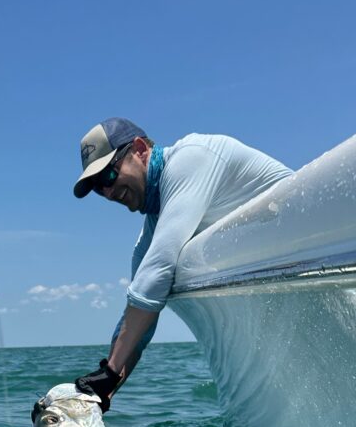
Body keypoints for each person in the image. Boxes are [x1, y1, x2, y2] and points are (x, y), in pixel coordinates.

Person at [72, 118, 292, 410]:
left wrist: (111, 373)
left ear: (139, 149)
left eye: (109, 175)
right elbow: (139, 310)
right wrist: (101, 393)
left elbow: (159, 267)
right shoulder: (158, 216)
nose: (109, 193)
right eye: (99, 189)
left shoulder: (191, 157)